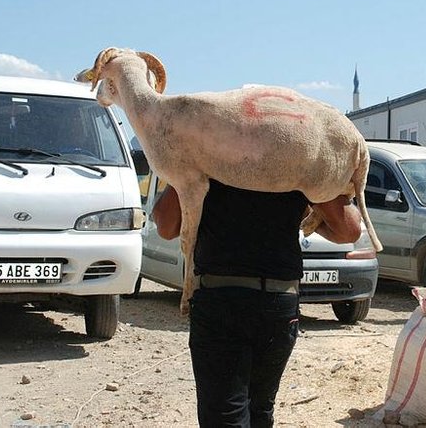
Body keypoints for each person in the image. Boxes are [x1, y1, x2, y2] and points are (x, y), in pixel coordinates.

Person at [152, 179, 362, 427]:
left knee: (225, 416)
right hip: (278, 301)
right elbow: (349, 230)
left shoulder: (205, 145)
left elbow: (166, 226)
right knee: (259, 411)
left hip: (221, 298)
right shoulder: (295, 154)